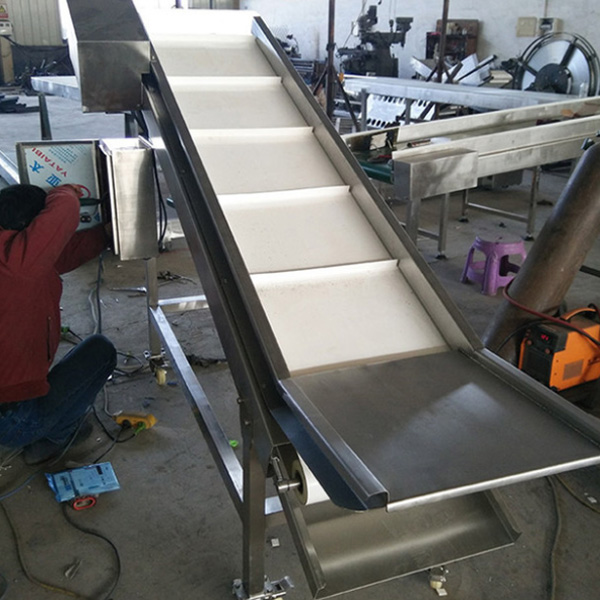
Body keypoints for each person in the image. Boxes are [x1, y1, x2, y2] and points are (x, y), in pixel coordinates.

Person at [0, 183, 116, 464]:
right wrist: (65, 192)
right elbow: (64, 212)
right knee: (100, 352)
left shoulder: (14, 253)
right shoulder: (17, 264)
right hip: (13, 419)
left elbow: (56, 254)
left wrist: (105, 234)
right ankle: (53, 438)